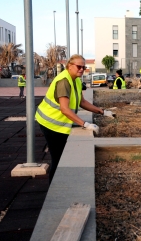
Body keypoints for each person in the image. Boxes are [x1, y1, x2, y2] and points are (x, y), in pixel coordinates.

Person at [35, 54, 111, 184]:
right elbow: (64, 109)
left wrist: (102, 112)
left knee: (62, 156)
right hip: (50, 123)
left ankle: (61, 182)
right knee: (57, 158)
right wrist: (85, 124)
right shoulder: (64, 81)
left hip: (59, 122)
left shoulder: (75, 79)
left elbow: (82, 102)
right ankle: (55, 188)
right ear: (69, 66)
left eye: (84, 67)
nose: (81, 69)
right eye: (79, 66)